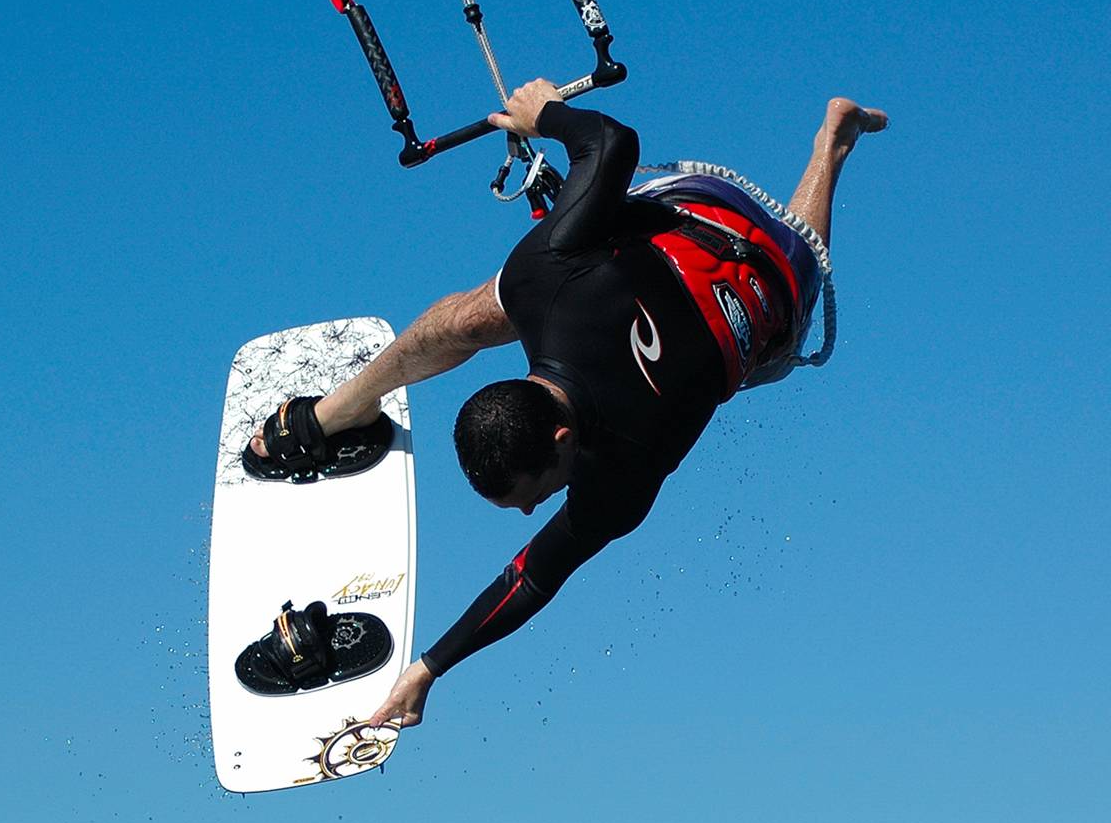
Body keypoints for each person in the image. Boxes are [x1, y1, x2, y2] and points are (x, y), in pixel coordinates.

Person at [248, 79, 886, 727]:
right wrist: (545, 115)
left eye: (529, 495)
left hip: (759, 271)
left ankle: (830, 151)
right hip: (690, 220)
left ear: (560, 443)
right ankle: (338, 411)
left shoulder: (626, 468)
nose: (532, 510)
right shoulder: (545, 281)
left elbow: (534, 576)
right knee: (483, 309)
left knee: (790, 284)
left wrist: (430, 669)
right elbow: (610, 143)